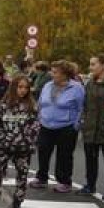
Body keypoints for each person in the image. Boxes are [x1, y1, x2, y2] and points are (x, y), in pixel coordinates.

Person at [0, 75, 40, 208]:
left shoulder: (32, 106)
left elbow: (35, 127)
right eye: (20, 87)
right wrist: (3, 140)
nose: (23, 90)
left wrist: (27, 141)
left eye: (26, 88)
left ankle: (17, 204)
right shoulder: (3, 106)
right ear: (13, 87)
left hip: (23, 148)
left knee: (22, 175)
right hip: (4, 146)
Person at [30, 61, 85, 193]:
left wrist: (76, 125)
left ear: (65, 74)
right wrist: (39, 118)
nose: (52, 74)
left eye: (55, 72)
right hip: (46, 124)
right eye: (52, 71)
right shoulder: (48, 85)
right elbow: (41, 103)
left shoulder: (77, 88)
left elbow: (81, 108)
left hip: (66, 127)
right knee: (43, 151)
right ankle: (42, 178)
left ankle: (64, 181)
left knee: (64, 155)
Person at [80, 53, 104, 199]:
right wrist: (84, 120)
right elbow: (85, 105)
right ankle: (90, 185)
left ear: (103, 66)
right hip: (90, 128)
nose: (90, 67)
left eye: (93, 64)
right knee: (90, 159)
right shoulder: (89, 83)